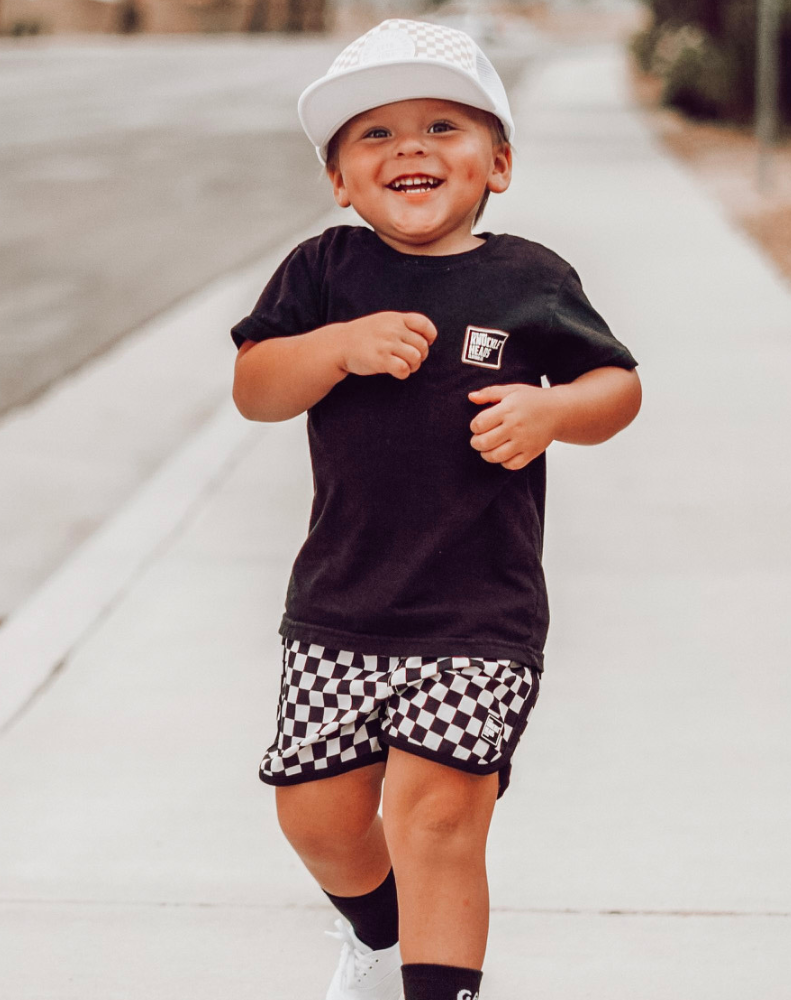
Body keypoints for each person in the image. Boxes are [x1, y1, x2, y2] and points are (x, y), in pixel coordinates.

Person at [230, 18, 641, 1000]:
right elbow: (255, 384)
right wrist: (334, 346)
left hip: (477, 608)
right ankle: (379, 938)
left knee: (437, 820)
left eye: (442, 126)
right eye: (373, 135)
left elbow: (617, 387)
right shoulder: (324, 274)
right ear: (338, 180)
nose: (408, 146)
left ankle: (436, 985)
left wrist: (554, 411)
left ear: (497, 163)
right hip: (340, 601)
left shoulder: (530, 278)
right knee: (315, 813)